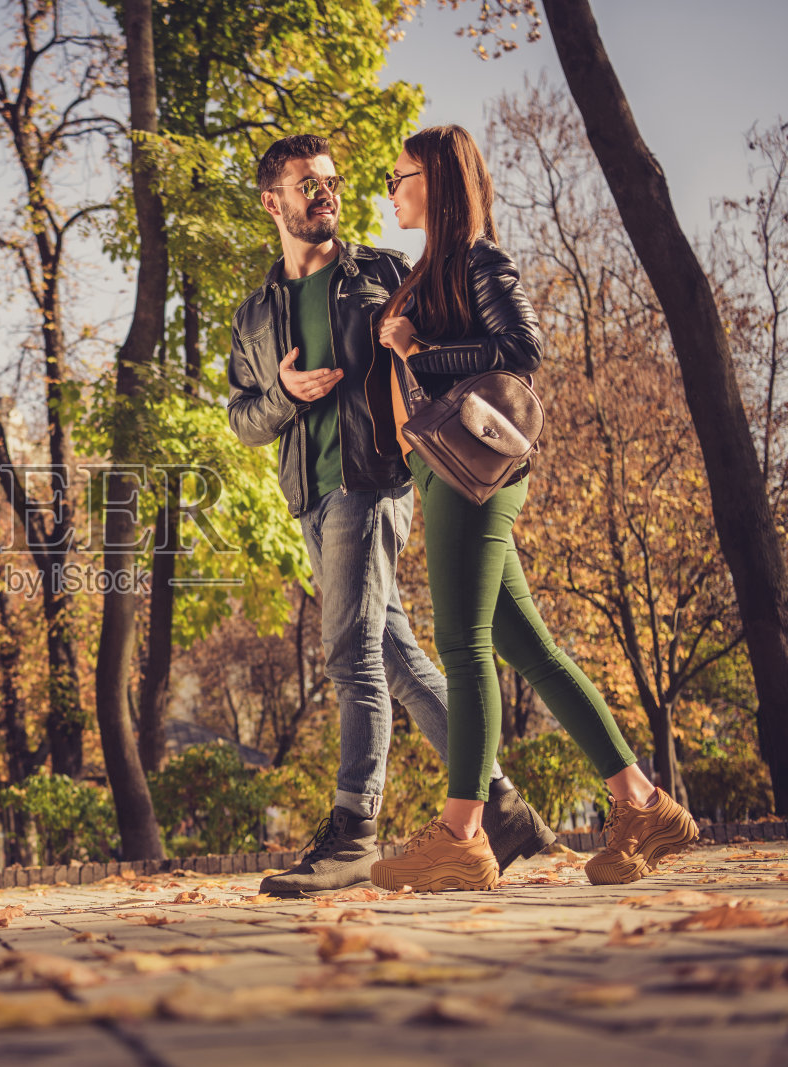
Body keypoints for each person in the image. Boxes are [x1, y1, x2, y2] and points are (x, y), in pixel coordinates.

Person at [366, 125, 699, 892]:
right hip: (441, 470)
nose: (391, 191)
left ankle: (462, 836)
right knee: (533, 650)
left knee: (463, 646)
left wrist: (417, 351)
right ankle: (642, 803)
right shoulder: (432, 268)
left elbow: (522, 349)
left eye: (399, 176)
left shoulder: (479, 259)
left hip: (470, 471)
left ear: (436, 180)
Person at [227, 134, 556, 897]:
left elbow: (452, 350)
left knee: (350, 656)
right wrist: (284, 395)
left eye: (332, 182)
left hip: (370, 481)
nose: (326, 194)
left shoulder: (383, 273)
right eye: (308, 184)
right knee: (397, 658)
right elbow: (242, 418)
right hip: (307, 494)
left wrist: (422, 363)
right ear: (272, 202)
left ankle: (354, 831)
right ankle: (502, 807)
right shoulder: (254, 313)